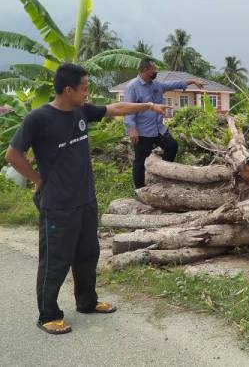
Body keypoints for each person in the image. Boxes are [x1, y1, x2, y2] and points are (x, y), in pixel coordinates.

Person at [5, 63, 171, 335]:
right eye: (84, 88)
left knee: (87, 254)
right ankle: (47, 314)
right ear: (68, 90)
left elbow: (115, 109)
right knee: (56, 259)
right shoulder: (39, 118)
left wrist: (148, 106)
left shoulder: (80, 111)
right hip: (58, 203)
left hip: (85, 198)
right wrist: (37, 179)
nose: (87, 93)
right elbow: (12, 154)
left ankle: (87, 302)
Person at [123, 58, 204, 188]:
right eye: (153, 69)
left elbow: (175, 84)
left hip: (158, 129)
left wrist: (192, 81)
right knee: (140, 161)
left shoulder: (156, 85)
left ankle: (162, 176)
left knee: (172, 146)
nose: (156, 71)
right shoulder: (132, 87)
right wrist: (132, 129)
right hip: (142, 132)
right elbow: (128, 109)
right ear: (145, 70)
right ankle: (140, 190)